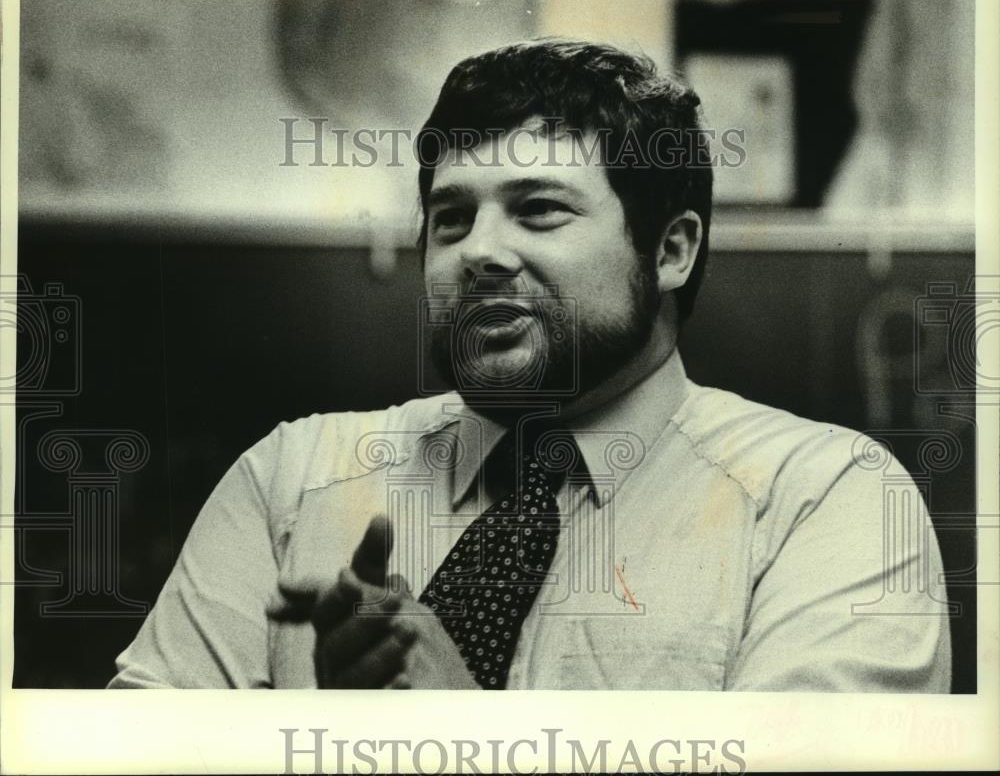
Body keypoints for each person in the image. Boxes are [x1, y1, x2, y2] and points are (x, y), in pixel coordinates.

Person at [109, 38, 951, 691]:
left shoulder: (823, 502)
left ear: (672, 250)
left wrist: (462, 737)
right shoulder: (292, 481)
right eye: (449, 219)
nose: (478, 253)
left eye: (539, 211)